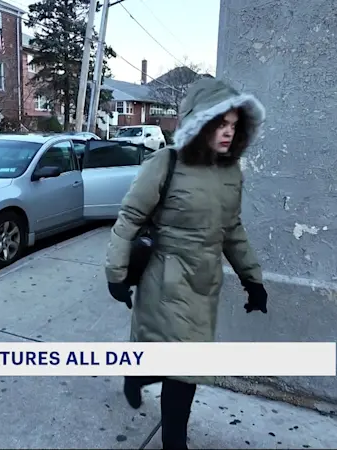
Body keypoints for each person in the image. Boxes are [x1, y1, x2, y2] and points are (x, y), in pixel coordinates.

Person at [104, 77, 269, 449]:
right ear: (201, 123)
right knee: (183, 367)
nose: (228, 133)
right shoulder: (167, 162)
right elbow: (129, 217)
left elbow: (232, 229)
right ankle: (173, 438)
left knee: (183, 366)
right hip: (166, 277)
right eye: (220, 124)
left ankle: (141, 382)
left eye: (233, 126)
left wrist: (252, 279)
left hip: (205, 282)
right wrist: (116, 274)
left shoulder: (231, 172)